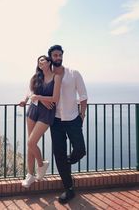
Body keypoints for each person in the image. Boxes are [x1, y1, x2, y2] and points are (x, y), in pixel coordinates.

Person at [44, 45, 88, 204]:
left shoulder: (73, 73)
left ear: (62, 56)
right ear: (50, 57)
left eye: (59, 55)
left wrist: (82, 116)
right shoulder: (47, 76)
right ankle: (69, 189)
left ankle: (66, 162)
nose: (57, 57)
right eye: (54, 55)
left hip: (73, 119)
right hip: (55, 121)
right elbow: (37, 90)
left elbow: (83, 96)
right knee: (58, 153)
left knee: (80, 150)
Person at [19, 55, 62, 188]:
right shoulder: (36, 77)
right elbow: (30, 92)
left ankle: (41, 165)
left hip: (46, 114)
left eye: (42, 60)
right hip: (33, 110)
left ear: (49, 62)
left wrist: (39, 97)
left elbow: (55, 98)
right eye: (38, 62)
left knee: (31, 142)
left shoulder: (56, 77)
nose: (40, 63)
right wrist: (25, 100)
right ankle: (30, 175)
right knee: (30, 145)